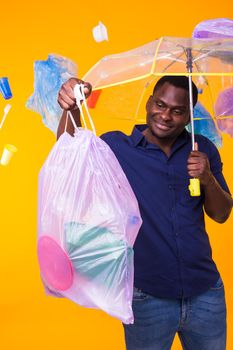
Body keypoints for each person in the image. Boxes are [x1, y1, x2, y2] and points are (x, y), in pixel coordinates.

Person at [57, 76, 232, 350]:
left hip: (205, 293)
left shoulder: (203, 149)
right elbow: (71, 154)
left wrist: (207, 177)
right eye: (160, 104)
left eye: (177, 110)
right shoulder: (117, 147)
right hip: (147, 296)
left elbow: (221, 214)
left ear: (189, 115)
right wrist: (72, 107)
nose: (165, 115)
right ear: (149, 102)